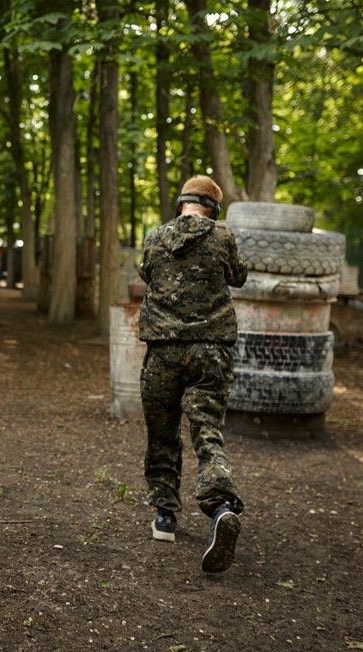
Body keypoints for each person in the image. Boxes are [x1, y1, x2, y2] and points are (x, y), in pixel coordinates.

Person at [137, 175, 247, 574]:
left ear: (180, 203)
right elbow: (238, 276)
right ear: (214, 208)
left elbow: (148, 274)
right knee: (206, 431)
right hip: (210, 352)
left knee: (163, 432)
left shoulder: (154, 238)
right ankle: (219, 507)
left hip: (163, 353)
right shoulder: (223, 236)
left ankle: (165, 516)